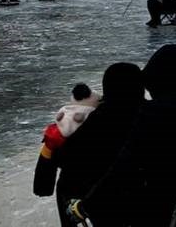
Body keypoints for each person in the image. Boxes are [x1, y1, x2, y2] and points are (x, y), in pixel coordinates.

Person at [68, 45, 176, 226]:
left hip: (161, 215)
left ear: (159, 81)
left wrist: (86, 206)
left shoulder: (152, 113)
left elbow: (124, 167)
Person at [34, 65, 144, 227]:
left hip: (87, 209)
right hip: (137, 207)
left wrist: (53, 140)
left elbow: (56, 161)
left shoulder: (93, 122)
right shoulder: (152, 117)